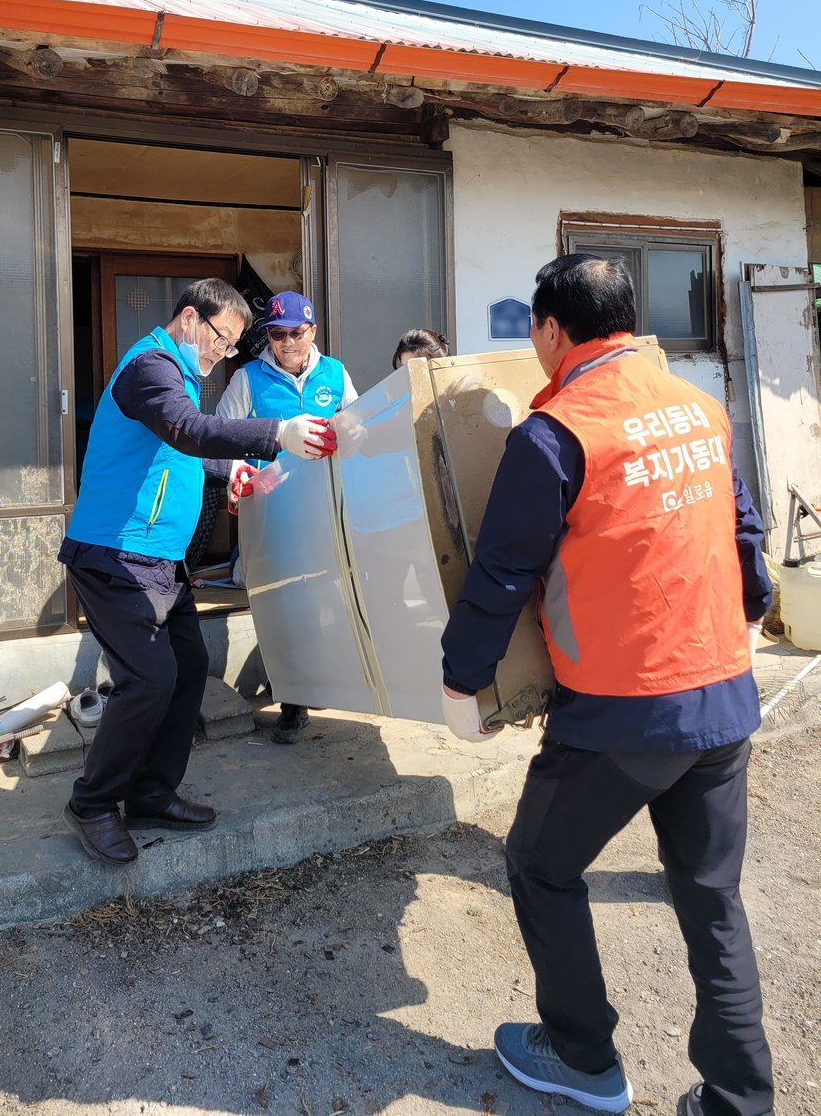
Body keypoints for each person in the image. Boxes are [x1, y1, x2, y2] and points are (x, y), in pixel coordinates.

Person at [440, 254, 774, 1116]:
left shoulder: (556, 432)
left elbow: (502, 570)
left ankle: (585, 1059)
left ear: (553, 330)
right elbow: (742, 526)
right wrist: (755, 605)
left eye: (535, 333)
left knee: (541, 865)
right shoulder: (699, 406)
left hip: (623, 710)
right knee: (710, 894)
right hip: (725, 697)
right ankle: (741, 1099)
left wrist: (462, 682)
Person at [60, 279, 336, 866]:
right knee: (150, 678)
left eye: (234, 346)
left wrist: (233, 468)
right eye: (221, 339)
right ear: (190, 318)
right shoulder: (151, 367)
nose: (222, 353)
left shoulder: (177, 375)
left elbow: (183, 448)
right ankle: (93, 803)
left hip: (162, 560)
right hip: (114, 554)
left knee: (188, 670)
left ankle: (152, 792)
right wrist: (274, 434)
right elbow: (185, 429)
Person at [218, 290, 358, 744]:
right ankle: (293, 703)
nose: (287, 343)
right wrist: (238, 475)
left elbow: (355, 429)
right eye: (277, 335)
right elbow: (221, 436)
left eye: (296, 332)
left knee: (323, 601)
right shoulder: (247, 379)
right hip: (271, 514)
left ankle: (320, 685)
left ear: (312, 330)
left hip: (324, 510)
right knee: (280, 607)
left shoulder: (335, 374)